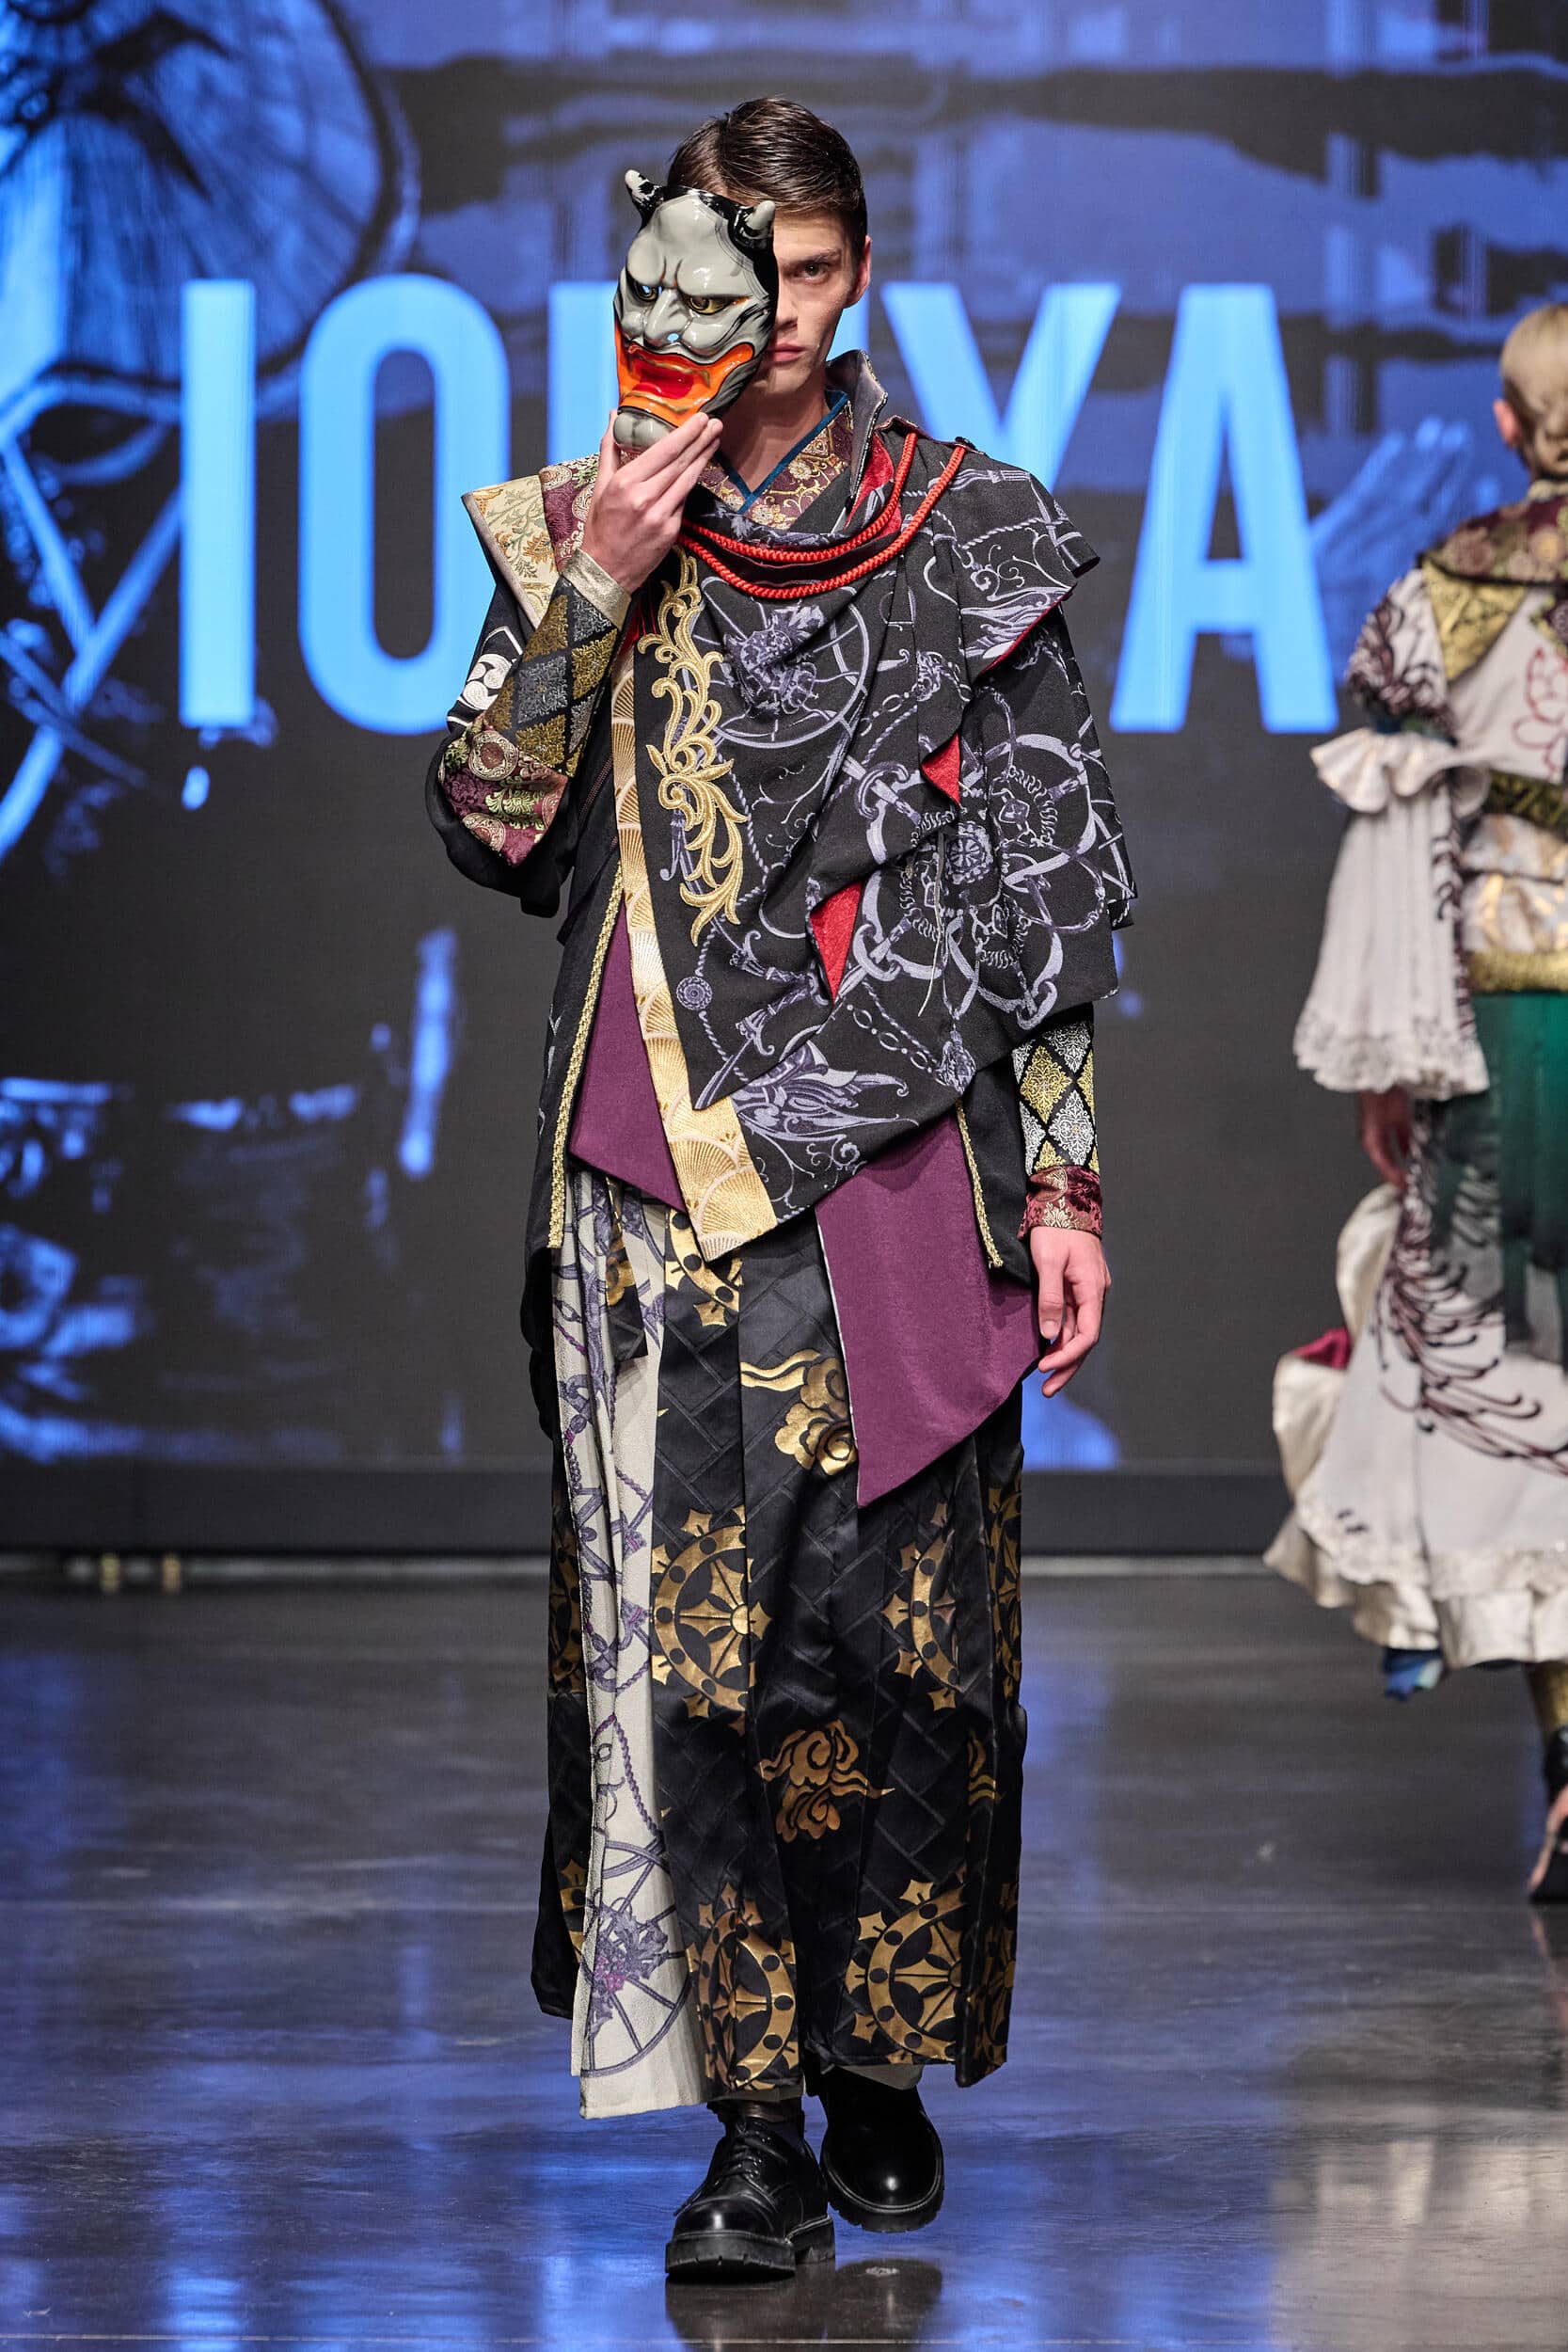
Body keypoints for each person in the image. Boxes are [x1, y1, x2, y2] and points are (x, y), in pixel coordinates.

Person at [424, 97, 1132, 2279]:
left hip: (903, 1173)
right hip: (652, 1172)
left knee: (901, 1659)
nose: (788, 317)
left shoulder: (965, 525)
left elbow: (1041, 873)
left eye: (818, 274)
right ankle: (748, 2127)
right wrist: (592, 588)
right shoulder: (590, 525)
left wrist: (1071, 1182)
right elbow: (488, 816)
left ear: (860, 275)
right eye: (756, 274)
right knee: (693, 1668)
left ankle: (873, 2050)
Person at [1271, 301, 1568, 1907]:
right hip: (1514, 1039)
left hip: (1508, 1039)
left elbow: (1400, 837)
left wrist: (1394, 1054)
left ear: (1509, 427)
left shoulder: (1447, 591)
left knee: (1521, 1397)